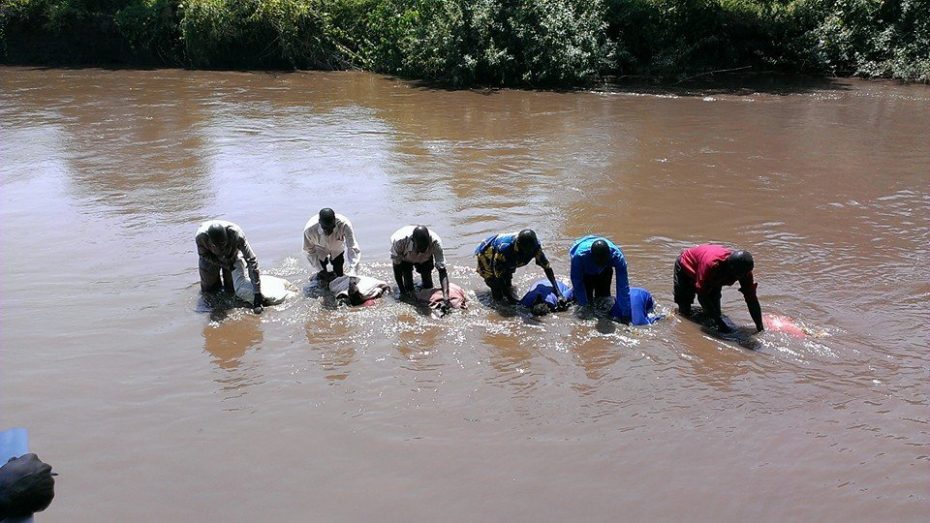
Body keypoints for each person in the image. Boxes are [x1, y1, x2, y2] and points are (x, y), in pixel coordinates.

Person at [674, 244, 763, 333]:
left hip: (713, 274)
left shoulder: (744, 272)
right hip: (685, 266)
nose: (742, 277)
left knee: (716, 313)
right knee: (684, 308)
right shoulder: (712, 266)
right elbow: (702, 295)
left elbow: (752, 299)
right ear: (730, 269)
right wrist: (721, 324)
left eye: (744, 274)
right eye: (738, 275)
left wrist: (760, 327)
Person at [474, 229, 566, 306]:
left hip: (509, 258)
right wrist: (511, 300)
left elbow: (547, 268)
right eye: (526, 251)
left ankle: (507, 295)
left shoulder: (535, 247)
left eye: (531, 251)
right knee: (496, 286)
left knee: (508, 282)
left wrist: (559, 294)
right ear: (519, 246)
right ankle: (497, 306)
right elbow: (498, 275)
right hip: (487, 253)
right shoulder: (505, 249)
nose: (529, 254)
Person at [196, 220, 264, 313]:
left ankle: (229, 306)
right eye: (217, 246)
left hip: (231, 255)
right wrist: (222, 264)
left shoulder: (237, 235)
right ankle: (213, 309)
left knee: (231, 288)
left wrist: (257, 293)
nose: (221, 249)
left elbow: (252, 260)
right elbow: (204, 255)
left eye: (223, 244)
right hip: (210, 257)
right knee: (209, 290)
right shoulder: (201, 237)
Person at [569, 235, 632, 323]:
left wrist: (625, 314)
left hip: (606, 270)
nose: (600, 265)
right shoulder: (579, 257)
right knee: (587, 301)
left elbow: (623, 286)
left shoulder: (617, 257)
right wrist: (584, 305)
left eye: (603, 262)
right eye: (599, 262)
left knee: (603, 299)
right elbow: (577, 281)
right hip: (586, 270)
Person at [391, 225, 450, 310]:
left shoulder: (435, 243)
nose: (422, 250)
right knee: (408, 286)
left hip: (426, 258)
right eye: (419, 247)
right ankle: (409, 290)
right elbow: (397, 269)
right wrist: (402, 291)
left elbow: (442, 270)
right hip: (405, 256)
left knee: (428, 284)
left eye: (424, 247)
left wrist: (445, 295)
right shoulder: (399, 242)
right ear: (413, 241)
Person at [303, 208, 361, 294]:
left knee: (339, 271)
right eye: (326, 228)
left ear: (335, 221)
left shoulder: (344, 224)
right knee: (323, 276)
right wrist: (320, 269)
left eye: (331, 227)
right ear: (319, 222)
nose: (329, 231)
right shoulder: (309, 230)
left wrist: (353, 273)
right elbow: (310, 250)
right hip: (320, 248)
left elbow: (352, 247)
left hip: (337, 246)